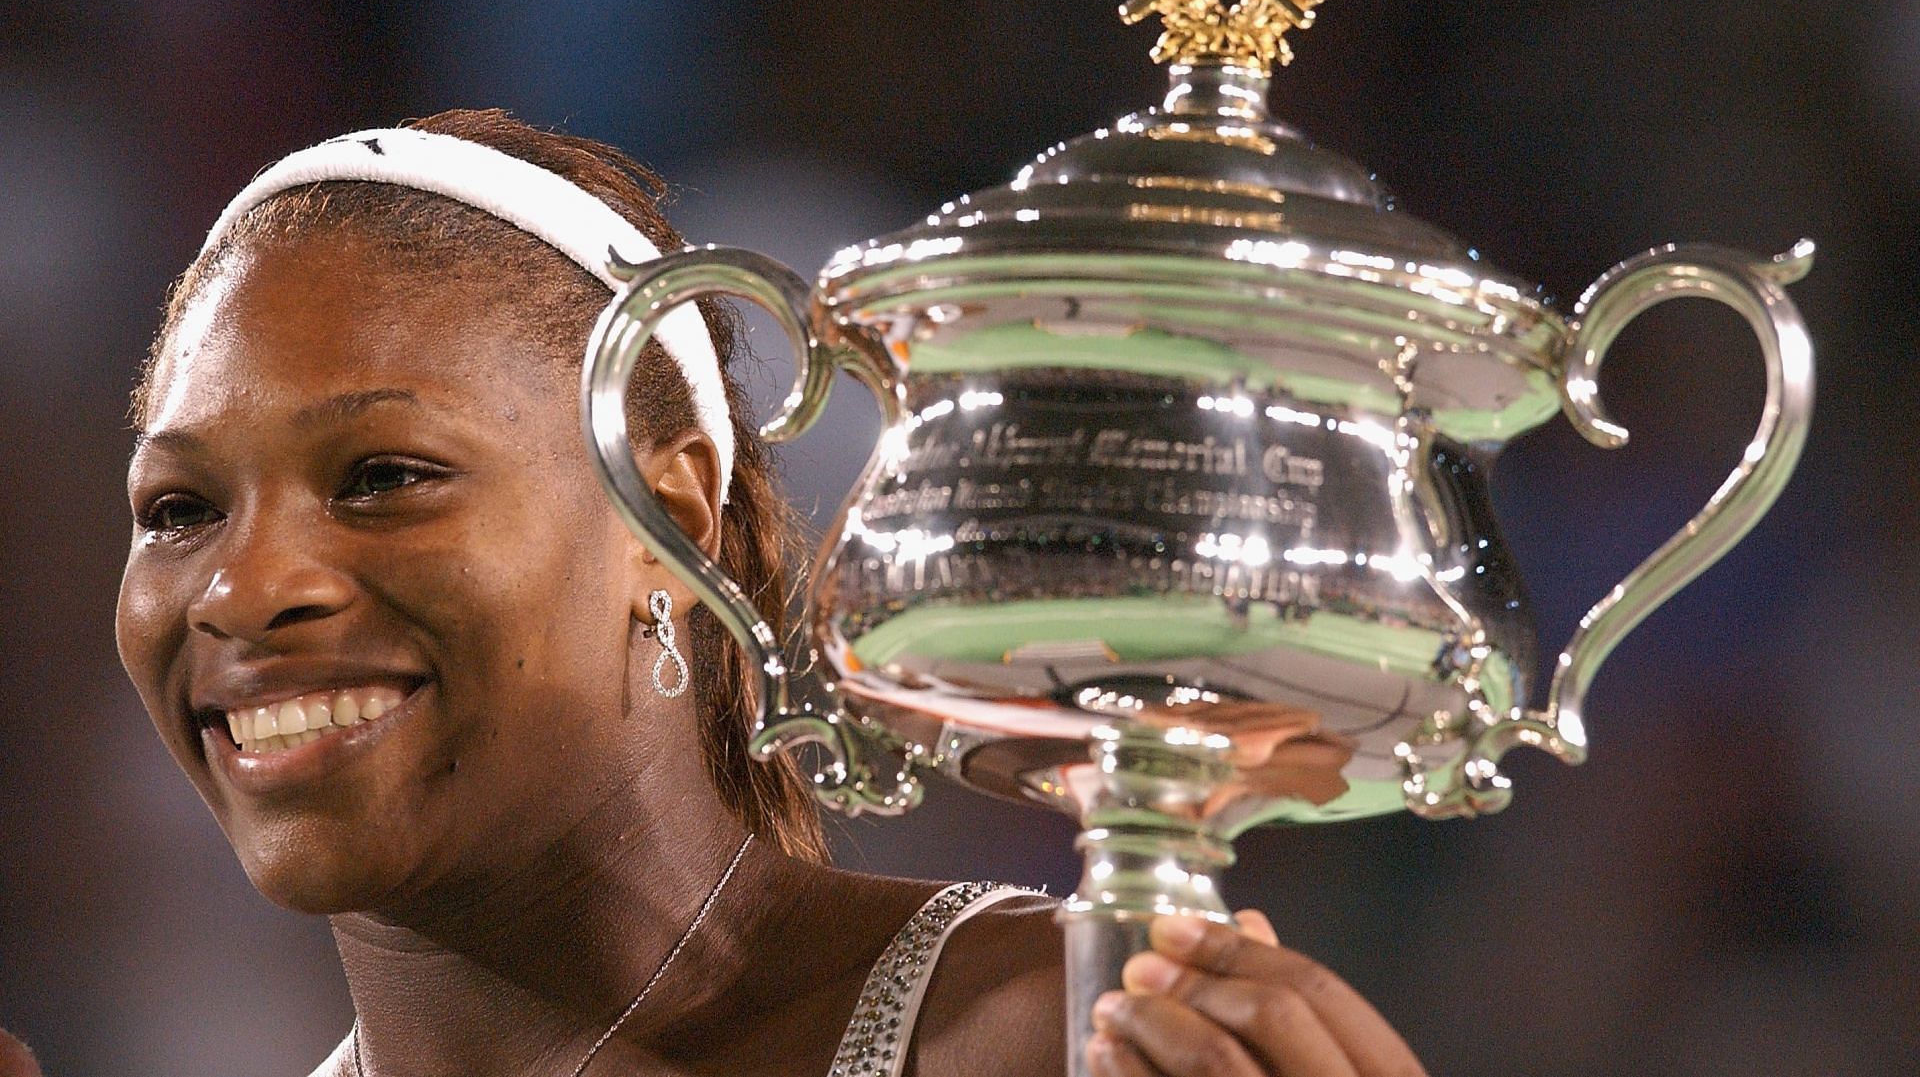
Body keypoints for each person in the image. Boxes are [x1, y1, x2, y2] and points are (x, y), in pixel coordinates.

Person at [98, 108, 1427, 1076]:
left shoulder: (1055, 1031)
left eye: (384, 475)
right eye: (179, 508)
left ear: (663, 524)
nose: (245, 587)